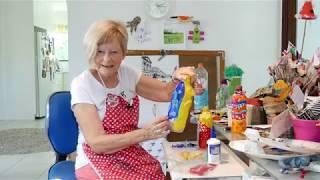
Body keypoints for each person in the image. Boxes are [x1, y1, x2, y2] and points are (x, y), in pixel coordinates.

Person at [71, 19, 195, 179]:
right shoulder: (82, 84)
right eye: (100, 51)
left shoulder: (127, 74)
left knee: (157, 173)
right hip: (95, 159)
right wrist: (145, 134)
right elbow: (97, 143)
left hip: (129, 153)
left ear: (124, 53)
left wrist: (179, 80)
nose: (106, 59)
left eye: (114, 52)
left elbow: (166, 93)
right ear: (90, 51)